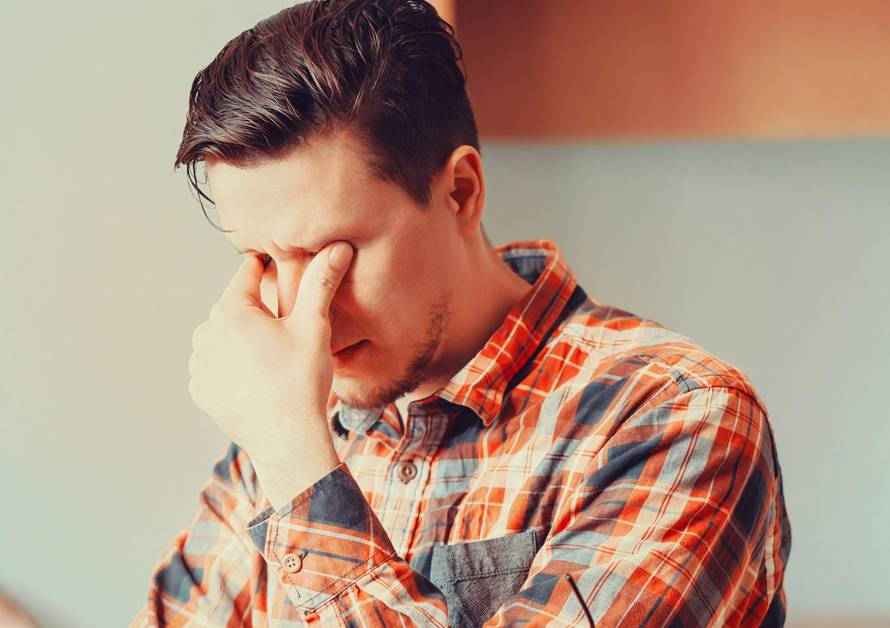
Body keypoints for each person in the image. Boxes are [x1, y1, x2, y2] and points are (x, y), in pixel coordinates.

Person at [131, 0, 791, 625]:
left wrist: (298, 467)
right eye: (263, 260)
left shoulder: (675, 415)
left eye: (334, 253)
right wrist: (284, 446)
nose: (307, 316)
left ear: (461, 192)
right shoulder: (291, 423)